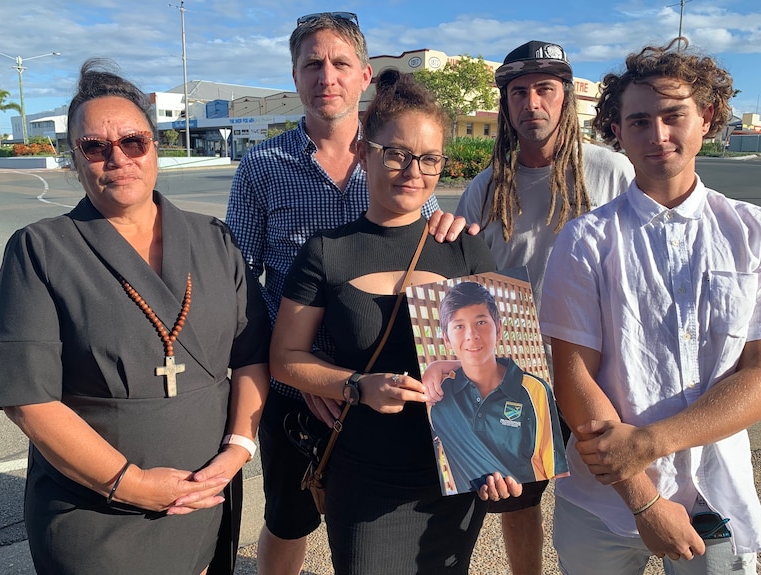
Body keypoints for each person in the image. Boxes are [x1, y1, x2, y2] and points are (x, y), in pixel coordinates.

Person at [0, 59, 271, 575]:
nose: (117, 158)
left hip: (203, 501)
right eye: (95, 147)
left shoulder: (214, 240)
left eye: (133, 141)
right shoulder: (40, 250)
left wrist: (237, 452)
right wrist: (134, 485)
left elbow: (251, 358)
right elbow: (28, 399)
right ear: (74, 159)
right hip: (96, 518)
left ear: (155, 144)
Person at [539, 38, 761, 574]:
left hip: (716, 494)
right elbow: (572, 380)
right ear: (616, 131)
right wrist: (645, 499)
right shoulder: (586, 239)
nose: (657, 134)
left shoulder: (758, 234)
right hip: (601, 502)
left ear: (706, 117)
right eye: (638, 121)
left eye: (673, 115)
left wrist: (649, 443)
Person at [225, 12, 469, 574]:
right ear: (294, 76)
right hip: (296, 388)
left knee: (373, 523)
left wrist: (453, 228)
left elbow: (424, 240)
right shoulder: (263, 167)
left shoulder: (395, 153)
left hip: (383, 374)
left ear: (364, 76)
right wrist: (302, 371)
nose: (325, 76)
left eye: (340, 63)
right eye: (312, 64)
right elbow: (242, 279)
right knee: (289, 516)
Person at [270, 70, 512, 574]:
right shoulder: (326, 252)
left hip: (454, 473)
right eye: (396, 153)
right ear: (364, 150)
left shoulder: (465, 247)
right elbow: (285, 359)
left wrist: (504, 457)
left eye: (429, 159)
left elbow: (500, 366)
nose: (412, 171)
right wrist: (355, 385)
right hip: (363, 476)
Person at [450, 39, 635, 575]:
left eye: (545, 89)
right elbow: (466, 283)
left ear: (564, 99)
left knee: (612, 481)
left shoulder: (611, 172)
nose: (532, 102)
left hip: (599, 364)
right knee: (518, 498)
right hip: (519, 369)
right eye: (519, 91)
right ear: (506, 105)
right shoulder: (484, 189)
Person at [429, 281, 568, 494]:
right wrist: (434, 367)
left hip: (526, 498)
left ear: (499, 328)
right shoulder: (439, 396)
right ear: (446, 339)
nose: (471, 335)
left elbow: (556, 467)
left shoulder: (534, 391)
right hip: (467, 507)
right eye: (459, 326)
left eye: (481, 322)